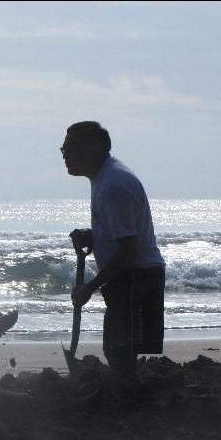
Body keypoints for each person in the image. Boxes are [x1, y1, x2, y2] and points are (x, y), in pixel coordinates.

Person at [62, 121, 165, 386]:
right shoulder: (104, 178)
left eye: (72, 148)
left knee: (119, 351)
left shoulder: (113, 186)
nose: (64, 153)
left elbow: (130, 249)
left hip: (135, 277)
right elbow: (124, 235)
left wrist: (90, 288)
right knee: (120, 350)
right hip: (131, 276)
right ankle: (133, 396)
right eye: (63, 148)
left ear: (95, 149)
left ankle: (136, 404)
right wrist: (94, 236)